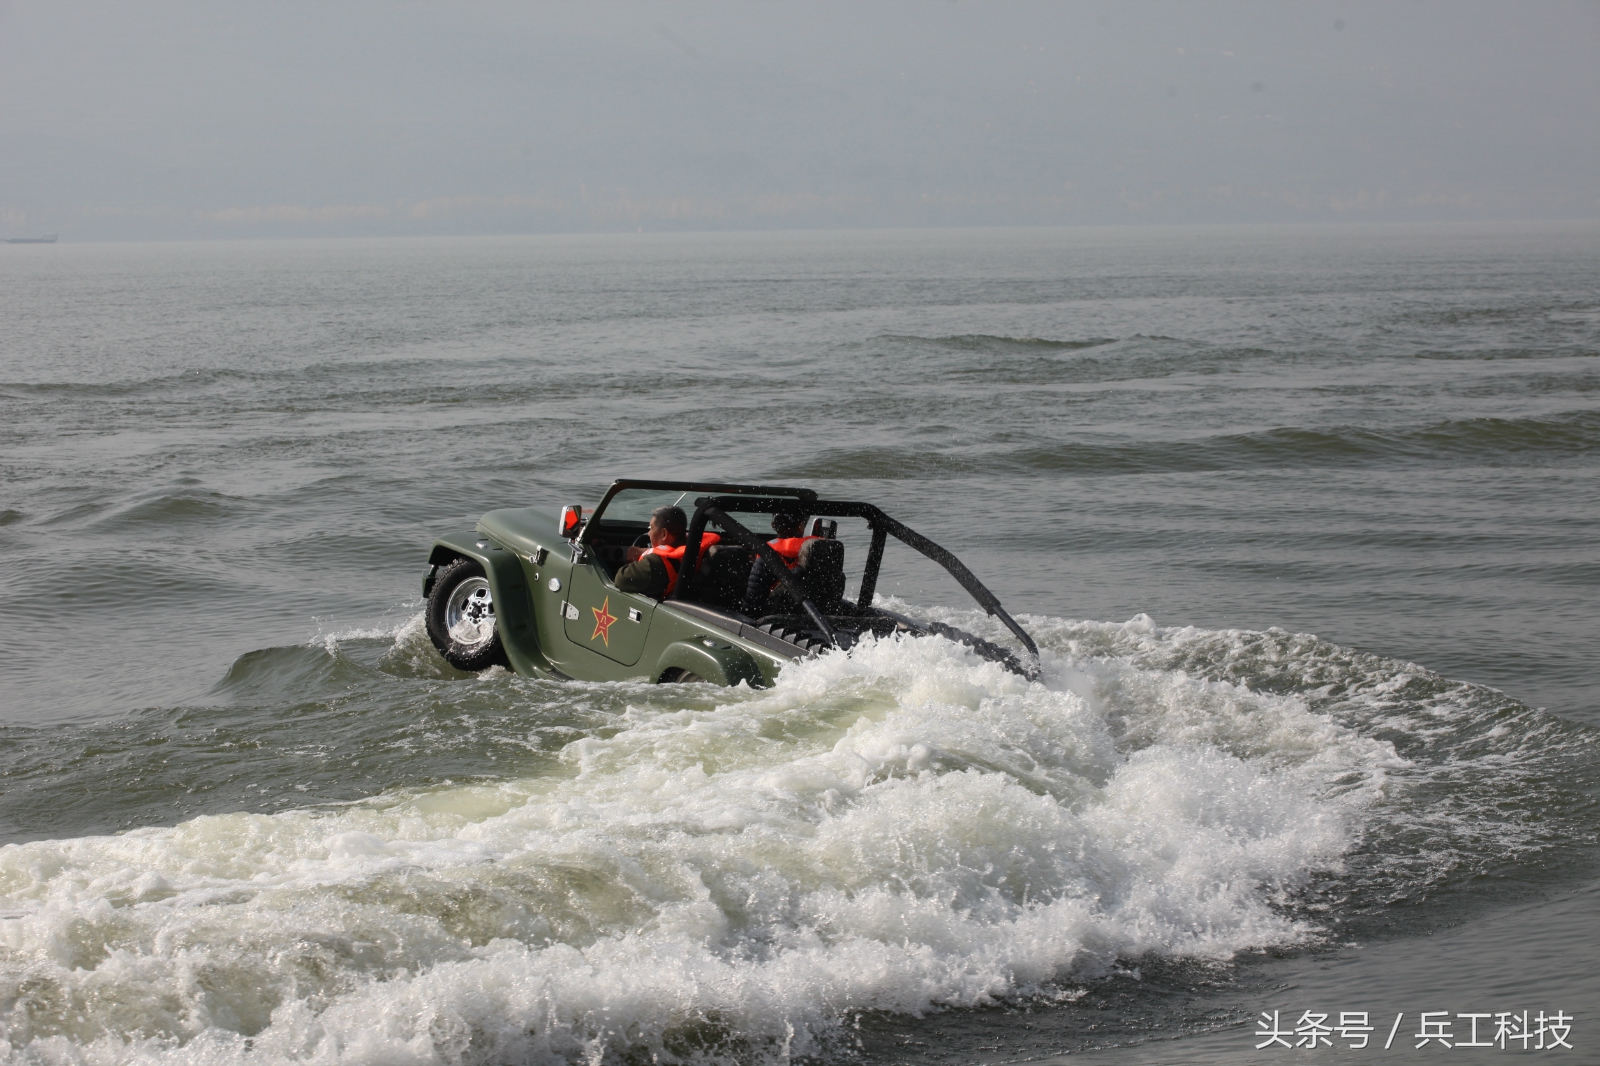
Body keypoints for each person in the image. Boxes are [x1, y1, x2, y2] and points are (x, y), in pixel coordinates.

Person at [614, 505, 720, 599]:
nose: (649, 533)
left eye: (651, 528)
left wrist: (638, 556)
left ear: (664, 534)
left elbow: (620, 580)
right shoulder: (701, 551)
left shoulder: (653, 564)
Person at [742, 512, 820, 615]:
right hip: (818, 615)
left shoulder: (765, 558)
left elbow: (752, 606)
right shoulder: (818, 554)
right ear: (801, 525)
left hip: (779, 618)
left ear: (773, 525)